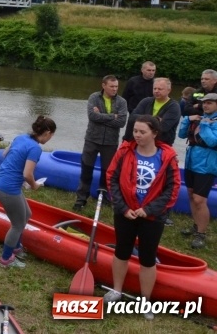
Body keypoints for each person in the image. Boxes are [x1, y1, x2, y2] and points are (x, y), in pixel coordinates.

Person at [104, 116, 180, 320]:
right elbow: (112, 179)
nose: (137, 135)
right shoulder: (124, 152)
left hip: (152, 216)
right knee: (122, 252)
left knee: (147, 258)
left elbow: (172, 189)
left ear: (154, 133)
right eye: (135, 131)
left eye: (142, 132)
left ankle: (145, 301)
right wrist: (122, 207)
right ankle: (116, 291)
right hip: (126, 212)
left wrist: (149, 209)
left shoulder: (168, 157)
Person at [0, 116, 57, 268]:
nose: (50, 139)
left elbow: (4, 154)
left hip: (1, 182)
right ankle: (6, 259)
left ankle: (16, 247)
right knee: (17, 225)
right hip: (7, 188)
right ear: (47, 133)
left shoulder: (20, 137)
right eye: (52, 135)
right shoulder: (35, 148)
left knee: (26, 214)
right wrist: (34, 185)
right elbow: (27, 174)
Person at [73, 75, 128, 212]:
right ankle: (81, 198)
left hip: (110, 142)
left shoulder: (121, 102)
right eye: (112, 86)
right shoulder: (94, 97)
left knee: (107, 171)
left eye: (116, 87)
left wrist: (101, 116)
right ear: (103, 85)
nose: (115, 89)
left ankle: (103, 196)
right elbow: (92, 116)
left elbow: (121, 122)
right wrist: (112, 116)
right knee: (86, 169)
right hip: (92, 139)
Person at [177, 92, 217, 249]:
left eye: (210, 103)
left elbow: (213, 142)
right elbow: (181, 135)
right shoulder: (198, 117)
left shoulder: (211, 122)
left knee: (200, 200)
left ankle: (201, 234)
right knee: (191, 195)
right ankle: (196, 225)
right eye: (204, 103)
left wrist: (205, 125)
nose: (205, 105)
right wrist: (187, 119)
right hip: (191, 161)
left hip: (207, 165)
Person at [123, 78, 181, 146]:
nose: (156, 91)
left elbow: (163, 127)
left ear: (169, 90)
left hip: (161, 145)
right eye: (155, 88)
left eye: (160, 89)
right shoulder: (146, 101)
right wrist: (155, 119)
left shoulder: (174, 107)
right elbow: (132, 118)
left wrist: (141, 119)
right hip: (141, 144)